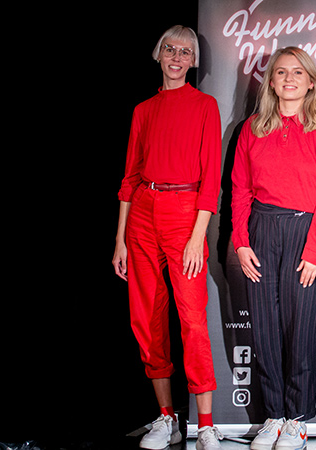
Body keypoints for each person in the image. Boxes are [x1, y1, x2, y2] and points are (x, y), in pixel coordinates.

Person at [230, 46, 316, 450]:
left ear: (311, 81)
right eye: (281, 73)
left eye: (298, 72)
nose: (290, 79)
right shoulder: (253, 129)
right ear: (273, 82)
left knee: (302, 332)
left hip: (307, 233)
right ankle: (273, 416)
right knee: (264, 331)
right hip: (263, 231)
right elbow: (240, 191)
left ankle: (297, 419)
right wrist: (242, 243)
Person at [112, 25, 224, 450]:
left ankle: (207, 424)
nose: (177, 57)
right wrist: (120, 240)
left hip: (184, 214)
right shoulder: (143, 109)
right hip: (142, 211)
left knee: (193, 319)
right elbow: (129, 178)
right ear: (159, 55)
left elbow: (211, 178)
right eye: (170, 49)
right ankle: (166, 418)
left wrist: (198, 237)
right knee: (147, 319)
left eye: (186, 52)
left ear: (193, 61)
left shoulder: (205, 106)